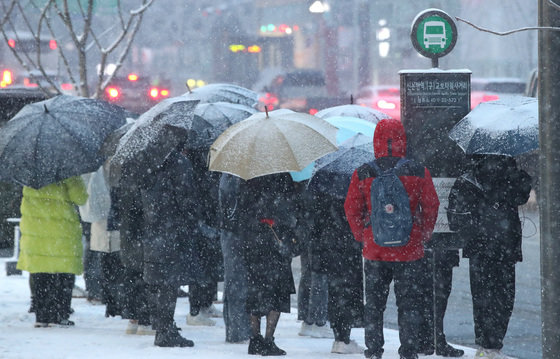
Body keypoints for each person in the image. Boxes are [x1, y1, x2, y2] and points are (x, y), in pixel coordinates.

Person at [344, 118, 440, 359]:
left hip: (375, 250)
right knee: (408, 304)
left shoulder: (363, 172)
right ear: (402, 139)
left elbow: (351, 208)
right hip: (410, 249)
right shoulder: (419, 171)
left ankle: (374, 350)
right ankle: (408, 350)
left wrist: (362, 236)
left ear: (376, 139)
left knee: (374, 304)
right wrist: (424, 234)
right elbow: (431, 205)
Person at [447, 154, 531, 359]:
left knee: (482, 295)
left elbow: (455, 211)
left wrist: (470, 230)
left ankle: (485, 345)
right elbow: (521, 195)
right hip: (504, 244)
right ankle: (494, 344)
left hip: (479, 245)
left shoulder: (470, 174)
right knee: (503, 296)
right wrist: (520, 173)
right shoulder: (509, 170)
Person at [134, 145, 201, 348]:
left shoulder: (144, 162)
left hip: (152, 230)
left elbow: (136, 201)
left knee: (156, 281)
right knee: (168, 284)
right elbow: (187, 200)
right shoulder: (178, 164)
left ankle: (162, 326)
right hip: (172, 232)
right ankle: (165, 330)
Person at [239, 173, 300, 356]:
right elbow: (290, 209)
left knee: (256, 289)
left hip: (252, 242)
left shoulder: (247, 178)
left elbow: (241, 210)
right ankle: (268, 340)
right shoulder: (283, 177)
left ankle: (254, 339)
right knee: (277, 293)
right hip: (276, 241)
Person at [17, 176, 88, 327]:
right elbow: (80, 198)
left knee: (40, 272)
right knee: (63, 272)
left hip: (36, 230)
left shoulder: (32, 175)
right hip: (62, 232)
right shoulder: (68, 172)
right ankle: (60, 314)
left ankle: (42, 315)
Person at [309, 191, 365, 354]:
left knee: (335, 293)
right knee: (348, 291)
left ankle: (339, 336)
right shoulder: (353, 185)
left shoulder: (321, 186)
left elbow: (313, 220)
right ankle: (343, 338)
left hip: (327, 245)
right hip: (347, 244)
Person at [79, 161, 124, 318]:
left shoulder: (94, 162)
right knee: (113, 265)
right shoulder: (112, 164)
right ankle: (113, 302)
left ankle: (109, 301)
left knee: (106, 263)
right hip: (111, 222)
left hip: (103, 223)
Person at [184, 149, 224, 327]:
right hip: (201, 219)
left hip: (208, 217)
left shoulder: (205, 161)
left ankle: (205, 303)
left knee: (209, 265)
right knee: (200, 266)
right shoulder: (195, 164)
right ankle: (196, 309)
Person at [218, 173, 252, 343]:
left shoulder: (229, 174)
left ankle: (235, 328)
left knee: (234, 281)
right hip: (236, 232)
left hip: (233, 231)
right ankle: (237, 330)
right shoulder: (233, 177)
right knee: (237, 281)